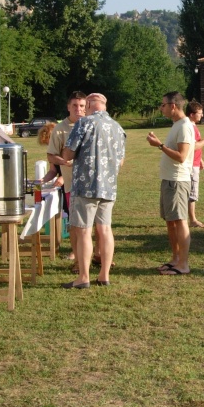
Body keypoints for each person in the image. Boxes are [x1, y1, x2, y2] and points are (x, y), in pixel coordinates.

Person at [60, 93, 126, 288]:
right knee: (105, 229)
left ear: (89, 105)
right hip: (108, 186)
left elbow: (69, 152)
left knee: (84, 232)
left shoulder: (84, 123)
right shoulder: (118, 127)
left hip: (85, 185)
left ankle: (84, 276)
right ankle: (104, 275)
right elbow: (120, 161)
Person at [146, 91, 195, 275]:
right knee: (171, 221)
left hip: (177, 181)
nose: (161, 108)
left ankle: (183, 264)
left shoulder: (184, 126)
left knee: (180, 221)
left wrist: (159, 145)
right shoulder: (177, 125)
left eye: (163, 105)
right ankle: (175, 259)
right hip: (169, 180)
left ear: (173, 106)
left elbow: (182, 157)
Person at [46, 91, 87, 268]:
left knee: (98, 223)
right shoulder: (60, 128)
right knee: (75, 223)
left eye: (82, 106)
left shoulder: (90, 125)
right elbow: (51, 155)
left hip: (92, 183)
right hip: (71, 184)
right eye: (75, 106)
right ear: (68, 107)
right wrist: (64, 162)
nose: (79, 109)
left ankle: (98, 254)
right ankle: (76, 253)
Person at [186, 100, 204, 229]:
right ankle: (193, 220)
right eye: (200, 113)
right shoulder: (190, 127)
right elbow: (193, 146)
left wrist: (200, 159)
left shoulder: (193, 126)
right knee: (192, 193)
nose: (202, 115)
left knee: (191, 192)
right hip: (191, 166)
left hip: (194, 163)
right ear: (191, 114)